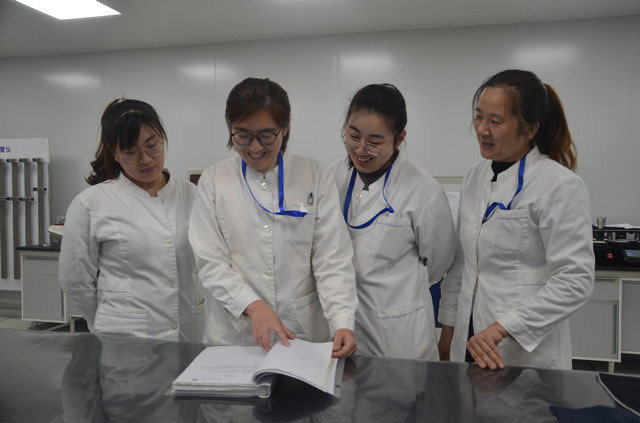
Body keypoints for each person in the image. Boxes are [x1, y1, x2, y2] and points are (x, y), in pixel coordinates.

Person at [189, 77, 358, 358]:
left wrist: (342, 321)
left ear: (286, 126)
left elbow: (332, 258)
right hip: (235, 336)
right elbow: (209, 260)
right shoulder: (214, 180)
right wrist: (253, 305)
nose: (255, 148)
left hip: (302, 332)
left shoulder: (314, 175)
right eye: (242, 135)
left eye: (267, 135)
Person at [438, 69, 595, 370]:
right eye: (479, 116)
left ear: (530, 129)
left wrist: (503, 328)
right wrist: (449, 328)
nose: (482, 130)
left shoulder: (559, 185)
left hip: (520, 348)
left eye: (496, 121)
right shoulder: (474, 177)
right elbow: (463, 263)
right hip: (468, 340)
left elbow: (574, 280)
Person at [59, 98, 205, 342]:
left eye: (152, 146)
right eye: (130, 152)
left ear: (163, 139)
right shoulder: (91, 203)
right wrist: (106, 318)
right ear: (114, 153)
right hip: (126, 337)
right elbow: (75, 280)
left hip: (189, 331)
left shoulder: (192, 195)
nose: (146, 159)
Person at [329, 83, 457, 359]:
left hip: (400, 333)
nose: (361, 149)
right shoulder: (329, 179)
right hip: (342, 327)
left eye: (374, 142)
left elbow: (439, 262)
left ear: (399, 139)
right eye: (353, 136)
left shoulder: (423, 190)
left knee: (402, 387)